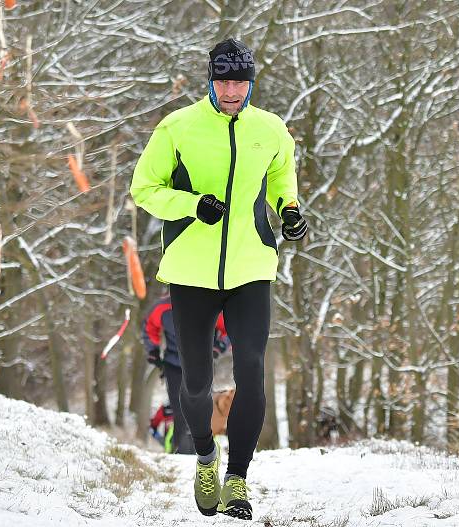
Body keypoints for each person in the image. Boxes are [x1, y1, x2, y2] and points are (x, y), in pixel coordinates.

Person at [130, 37, 307, 520]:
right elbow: (144, 187)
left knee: (251, 371)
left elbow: (281, 180)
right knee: (195, 381)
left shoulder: (270, 130)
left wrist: (289, 211)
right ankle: (206, 456)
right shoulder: (178, 127)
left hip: (251, 267)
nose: (232, 91)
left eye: (240, 82)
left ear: (251, 83)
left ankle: (238, 480)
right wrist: (191, 205)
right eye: (224, 81)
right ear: (211, 80)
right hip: (191, 271)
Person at [143, 293, 229, 455]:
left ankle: (205, 451)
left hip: (203, 362)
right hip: (173, 364)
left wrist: (218, 347)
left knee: (202, 405)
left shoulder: (209, 304)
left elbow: (229, 328)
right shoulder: (162, 307)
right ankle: (181, 450)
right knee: (179, 407)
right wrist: (153, 350)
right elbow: (149, 327)